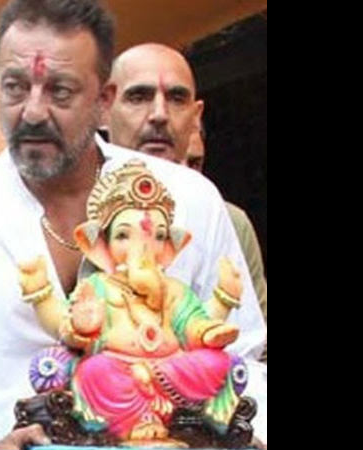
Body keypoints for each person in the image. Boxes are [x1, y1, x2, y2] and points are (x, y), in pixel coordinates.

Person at [0, 2, 266, 450]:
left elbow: (245, 360)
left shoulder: (190, 201)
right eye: (15, 87)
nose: (33, 112)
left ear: (104, 101)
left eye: (60, 91)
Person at [104, 42, 267, 444]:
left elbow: (246, 349)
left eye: (176, 98)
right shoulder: (76, 203)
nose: (159, 114)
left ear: (196, 116)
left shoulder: (222, 217)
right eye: (139, 97)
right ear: (103, 107)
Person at [185, 126, 267, 340]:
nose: (185, 175)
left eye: (194, 164)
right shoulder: (110, 215)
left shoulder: (233, 221)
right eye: (172, 164)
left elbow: (260, 340)